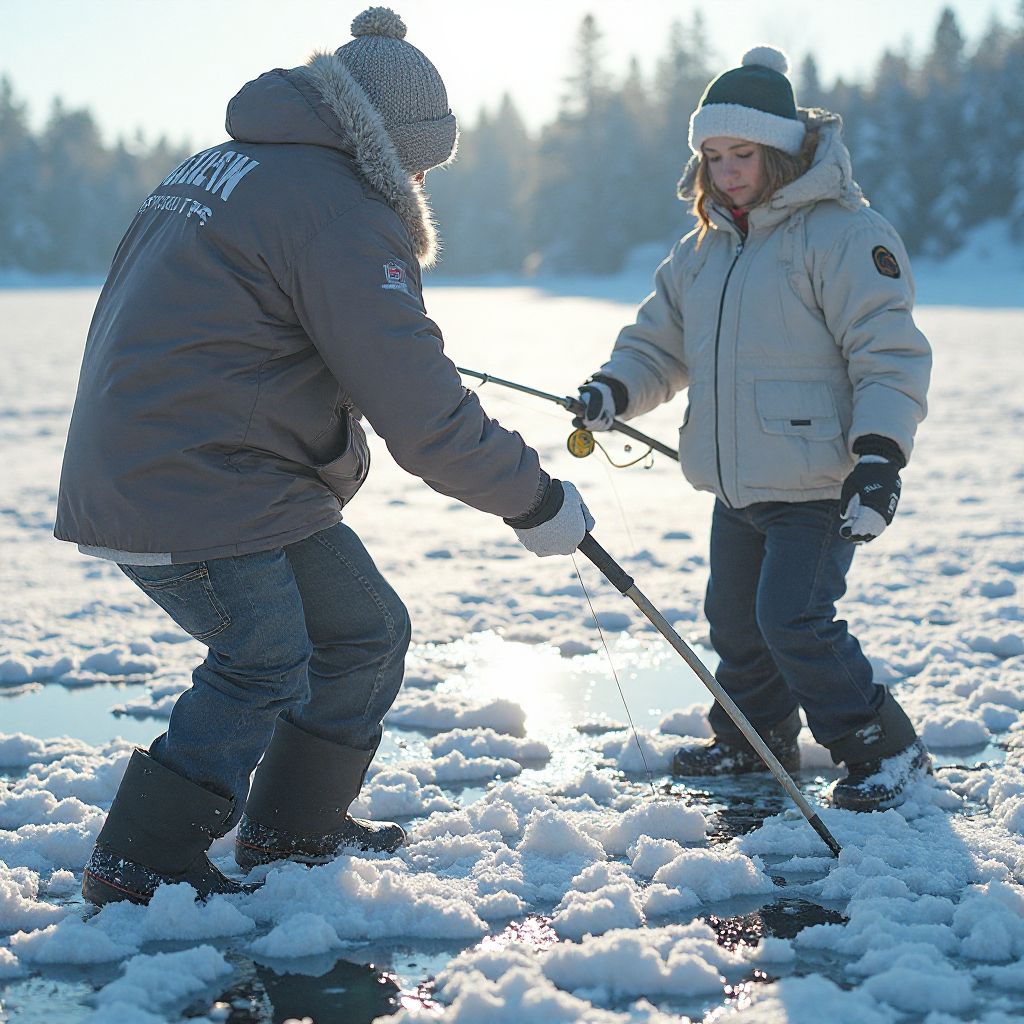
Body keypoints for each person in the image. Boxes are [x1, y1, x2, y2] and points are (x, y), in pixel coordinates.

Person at [55, 6, 593, 907]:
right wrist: (534, 499)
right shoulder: (342, 208)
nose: (423, 179)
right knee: (263, 654)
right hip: (192, 476)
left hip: (218, 465)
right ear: (390, 143)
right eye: (423, 161)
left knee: (365, 632)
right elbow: (421, 414)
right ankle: (138, 862)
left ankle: (291, 827)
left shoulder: (229, 166)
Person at [575, 46, 932, 812]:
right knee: (737, 623)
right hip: (735, 482)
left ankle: (882, 748)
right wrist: (614, 390)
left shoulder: (842, 234)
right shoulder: (704, 249)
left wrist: (879, 461)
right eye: (713, 155)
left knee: (793, 619)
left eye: (743, 153)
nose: (728, 170)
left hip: (817, 483)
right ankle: (753, 738)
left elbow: (889, 354)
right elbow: (657, 344)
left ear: (781, 149)